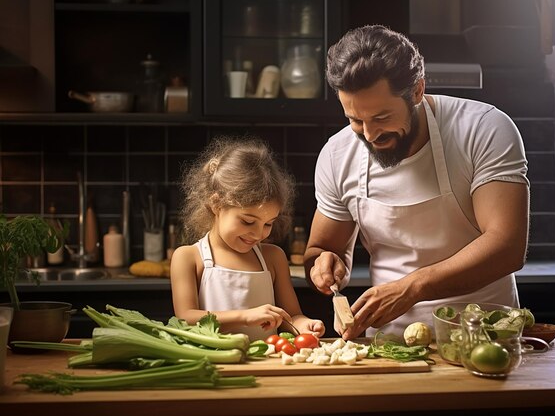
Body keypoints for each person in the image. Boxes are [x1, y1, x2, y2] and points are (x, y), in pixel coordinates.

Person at [305, 25, 529, 340]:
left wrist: (414, 287)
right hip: (389, 345)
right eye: (355, 120)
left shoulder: (483, 129)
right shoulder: (337, 154)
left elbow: (508, 246)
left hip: (484, 337)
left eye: (382, 118)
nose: (369, 135)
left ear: (417, 91)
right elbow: (322, 248)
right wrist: (323, 264)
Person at [170, 137, 325, 341]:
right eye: (247, 221)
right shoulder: (189, 258)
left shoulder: (273, 257)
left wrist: (304, 324)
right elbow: (186, 317)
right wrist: (244, 316)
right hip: (216, 364)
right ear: (216, 204)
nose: (259, 234)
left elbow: (291, 316)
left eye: (268, 224)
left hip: (267, 363)